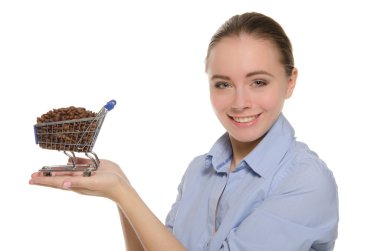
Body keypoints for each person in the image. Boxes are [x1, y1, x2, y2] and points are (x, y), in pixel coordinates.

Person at [29, 11, 339, 251]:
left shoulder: (306, 181)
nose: (240, 102)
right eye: (223, 84)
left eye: (258, 82)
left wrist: (122, 193)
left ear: (290, 82)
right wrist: (121, 189)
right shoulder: (199, 172)